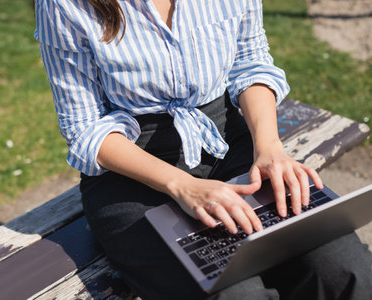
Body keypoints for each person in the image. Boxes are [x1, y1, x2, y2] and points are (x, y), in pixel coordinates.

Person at [34, 0, 372, 299]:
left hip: (229, 138)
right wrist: (185, 187)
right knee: (234, 293)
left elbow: (249, 62)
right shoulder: (64, 4)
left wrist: (269, 149)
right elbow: (84, 127)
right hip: (133, 169)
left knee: (345, 268)